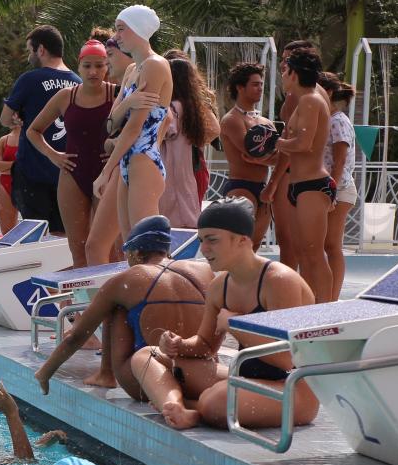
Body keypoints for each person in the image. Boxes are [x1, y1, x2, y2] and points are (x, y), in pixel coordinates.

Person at [131, 199, 318, 431]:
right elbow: (206, 346)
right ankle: (174, 405)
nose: (204, 249)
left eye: (212, 240)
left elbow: (285, 359)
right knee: (146, 356)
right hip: (245, 380)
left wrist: (234, 324)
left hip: (292, 389)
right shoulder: (220, 285)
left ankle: (194, 408)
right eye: (201, 241)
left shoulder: (278, 281)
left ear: (242, 240)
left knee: (218, 400)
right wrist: (178, 345)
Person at [33, 215, 212, 397]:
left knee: (117, 305)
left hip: (148, 379)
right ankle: (189, 402)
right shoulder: (203, 271)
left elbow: (77, 335)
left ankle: (106, 374)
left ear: (135, 253)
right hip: (197, 375)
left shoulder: (126, 280)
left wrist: (45, 373)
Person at [26, 38, 116, 267]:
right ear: (78, 67)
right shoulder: (66, 96)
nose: (93, 71)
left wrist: (118, 151)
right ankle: (84, 301)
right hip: (73, 174)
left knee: (111, 250)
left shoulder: (116, 95)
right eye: (87, 66)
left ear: (107, 67)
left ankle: (110, 300)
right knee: (78, 249)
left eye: (99, 65)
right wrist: (53, 155)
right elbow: (33, 131)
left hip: (107, 174)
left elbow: (141, 127)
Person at [96, 5, 173, 243]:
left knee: (147, 247)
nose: (116, 37)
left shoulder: (155, 65)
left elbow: (133, 127)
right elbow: (110, 125)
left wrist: (105, 171)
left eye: (121, 30)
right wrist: (129, 101)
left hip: (144, 160)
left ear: (139, 30)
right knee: (131, 246)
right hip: (128, 161)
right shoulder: (132, 70)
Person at [3, 25, 81, 235]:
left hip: (33, 170)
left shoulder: (30, 79)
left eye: (30, 50)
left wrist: (18, 118)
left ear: (41, 50)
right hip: (68, 170)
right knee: (64, 235)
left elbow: (4, 118)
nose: (30, 56)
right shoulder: (78, 83)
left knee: (37, 234)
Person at [275, 47, 334, 302]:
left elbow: (304, 143)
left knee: (314, 254)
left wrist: (277, 143)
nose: (282, 75)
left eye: (285, 69)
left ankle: (324, 310)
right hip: (299, 184)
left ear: (295, 74)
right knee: (303, 253)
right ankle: (309, 307)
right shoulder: (303, 101)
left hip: (312, 184)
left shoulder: (311, 99)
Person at [262, 40, 322, 269]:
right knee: (305, 248)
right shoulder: (307, 95)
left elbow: (298, 144)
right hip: (303, 174)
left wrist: (273, 182)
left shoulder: (305, 97)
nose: (282, 66)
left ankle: (297, 298)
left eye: (288, 62)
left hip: (302, 175)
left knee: (296, 245)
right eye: (283, 60)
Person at [82, 30, 135, 265]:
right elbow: (111, 127)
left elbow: (143, 130)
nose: (105, 65)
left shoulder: (152, 70)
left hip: (139, 166)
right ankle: (111, 299)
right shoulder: (130, 80)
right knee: (96, 246)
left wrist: (105, 171)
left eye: (109, 57)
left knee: (134, 247)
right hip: (121, 166)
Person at [157, 51, 222, 228]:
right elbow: (214, 130)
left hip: (170, 171)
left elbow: (160, 133)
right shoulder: (196, 106)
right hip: (195, 168)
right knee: (191, 216)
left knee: (168, 220)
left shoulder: (170, 107)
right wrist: (193, 138)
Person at [217, 61, 276, 245]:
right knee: (236, 246)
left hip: (263, 188)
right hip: (240, 187)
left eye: (261, 84)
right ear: (240, 87)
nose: (260, 88)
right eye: (255, 84)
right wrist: (268, 158)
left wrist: (261, 160)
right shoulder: (232, 120)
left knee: (254, 246)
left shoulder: (265, 122)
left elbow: (274, 157)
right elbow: (254, 152)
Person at [320, 74, 358, 302]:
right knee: (323, 245)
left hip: (339, 188)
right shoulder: (325, 118)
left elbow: (340, 160)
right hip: (330, 187)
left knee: (332, 245)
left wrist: (330, 189)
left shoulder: (338, 120)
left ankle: (332, 298)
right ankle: (325, 295)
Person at [0, 125, 20, 235]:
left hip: (27, 184)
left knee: (34, 229)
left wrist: (6, 166)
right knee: (7, 233)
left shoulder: (32, 137)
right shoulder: (4, 140)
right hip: (6, 183)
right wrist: (16, 165)